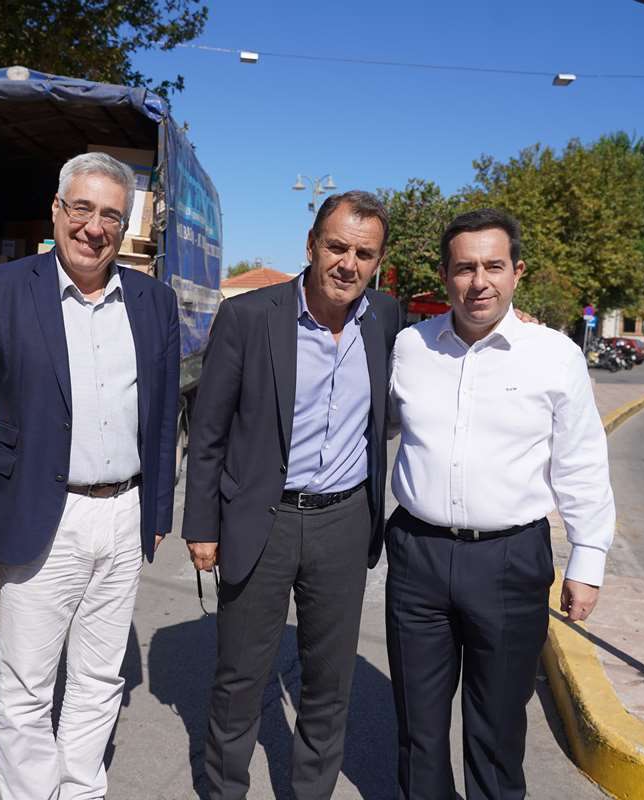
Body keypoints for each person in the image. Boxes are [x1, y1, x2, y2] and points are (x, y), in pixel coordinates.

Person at [0, 152, 180, 800]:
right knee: (27, 688)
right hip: (39, 513)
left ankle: (82, 790)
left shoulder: (154, 301)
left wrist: (157, 511)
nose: (94, 226)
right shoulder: (2, 290)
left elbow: (163, 417)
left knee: (99, 678)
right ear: (57, 211)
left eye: (110, 214)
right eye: (81, 208)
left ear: (125, 225)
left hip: (122, 514)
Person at [386, 208, 615, 800]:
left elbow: (582, 461)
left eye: (493, 266)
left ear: (518, 272)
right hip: (417, 555)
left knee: (497, 729)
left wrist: (587, 561)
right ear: (445, 276)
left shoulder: (554, 354)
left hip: (510, 560)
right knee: (418, 727)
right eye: (464, 268)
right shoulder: (409, 346)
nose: (479, 281)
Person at [182, 191, 404, 799]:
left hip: (344, 520)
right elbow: (209, 431)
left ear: (377, 262)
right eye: (337, 247)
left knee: (329, 684)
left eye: (364, 254)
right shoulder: (250, 316)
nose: (348, 264)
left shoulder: (386, 317)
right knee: (240, 679)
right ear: (311, 245)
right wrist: (202, 525)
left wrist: (516, 321)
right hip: (264, 518)